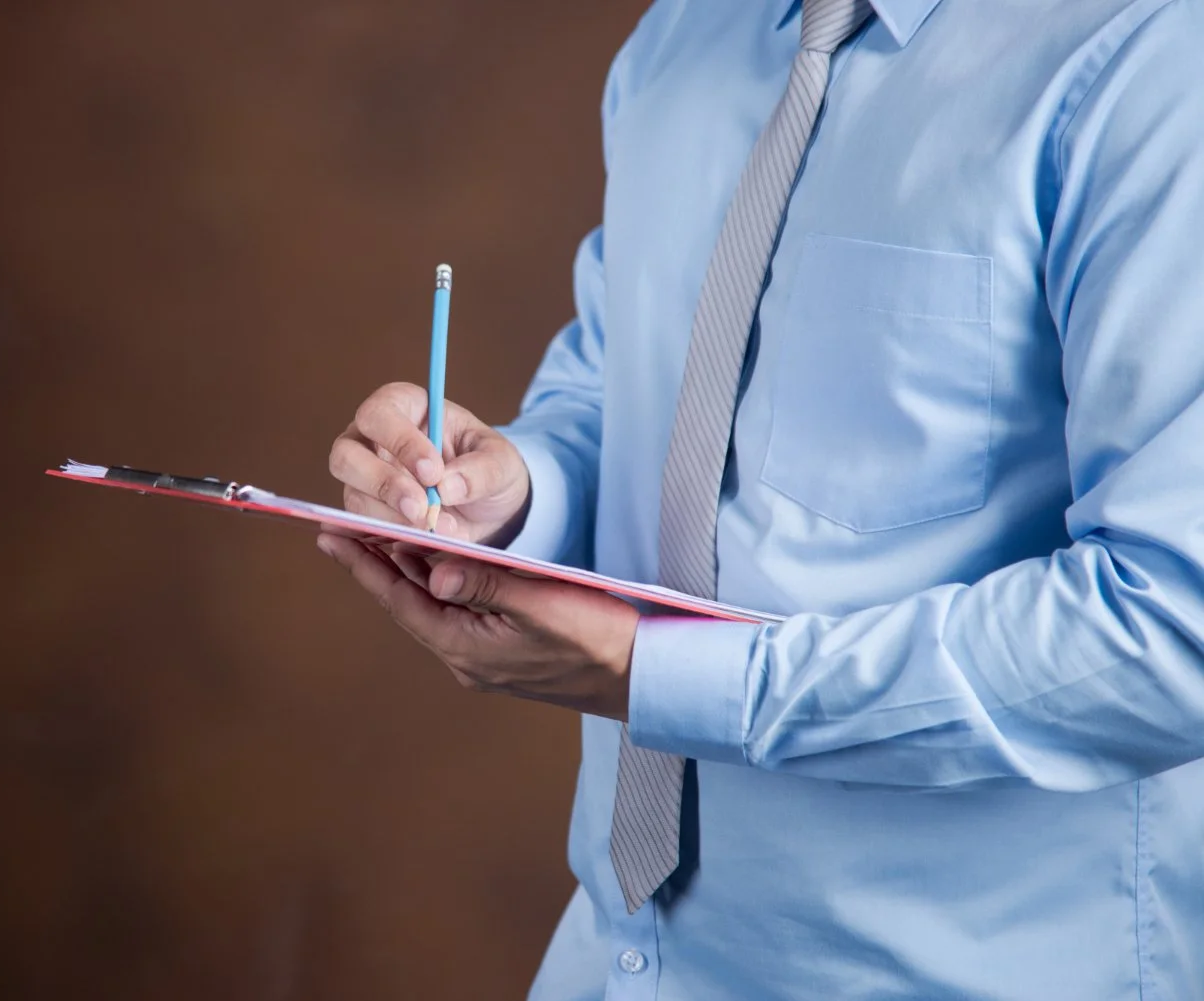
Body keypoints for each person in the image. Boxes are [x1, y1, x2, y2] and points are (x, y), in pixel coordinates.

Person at [316, 0, 1204, 997]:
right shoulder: (680, 38)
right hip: (617, 960)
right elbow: (624, 387)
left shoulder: (1153, 63)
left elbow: (1176, 629)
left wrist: (666, 676)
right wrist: (513, 493)